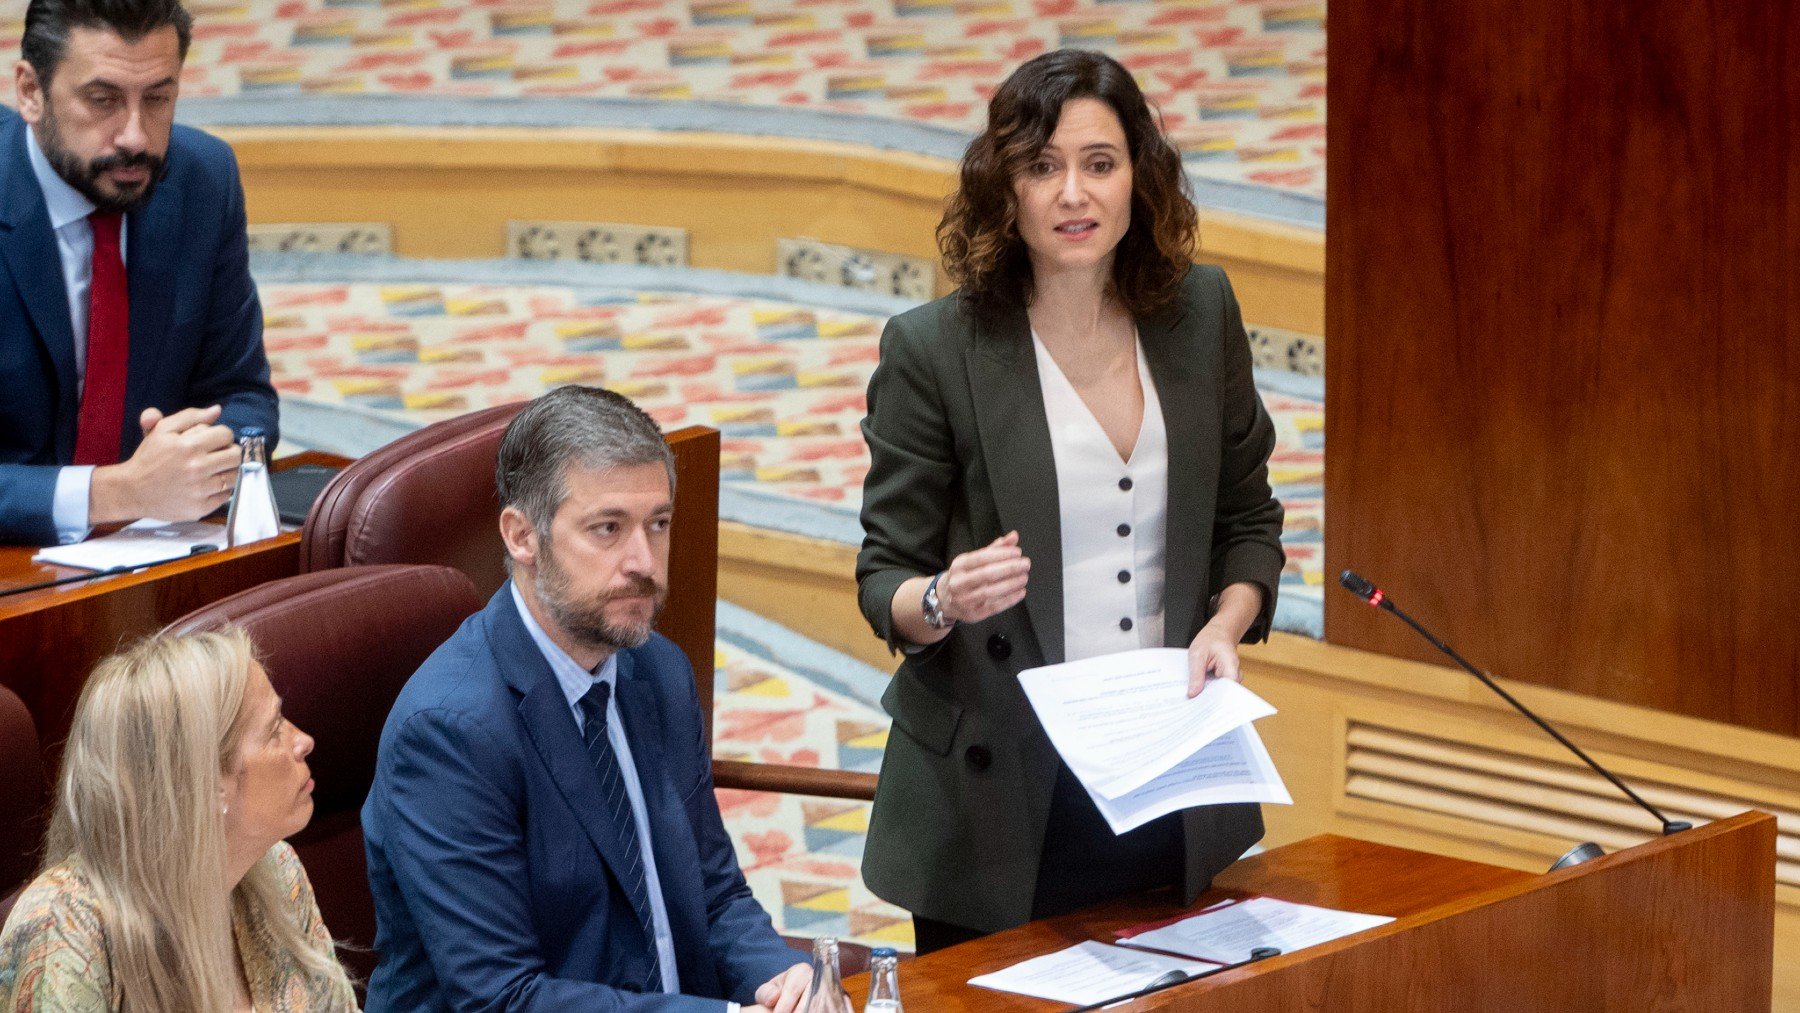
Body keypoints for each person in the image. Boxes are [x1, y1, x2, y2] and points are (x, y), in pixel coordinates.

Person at [855, 49, 1287, 952]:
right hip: (1001, 794)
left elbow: (1248, 518)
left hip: (1165, 773)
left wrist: (1224, 624)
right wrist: (942, 598)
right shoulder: (935, 349)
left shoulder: (1200, 312)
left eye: (1099, 163)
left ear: (1141, 178)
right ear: (1003, 189)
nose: (1073, 194)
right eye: (1041, 167)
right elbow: (884, 576)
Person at [362, 386, 812, 1011]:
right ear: (522, 536)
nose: (643, 561)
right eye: (608, 528)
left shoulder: (657, 671)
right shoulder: (451, 731)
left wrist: (780, 978)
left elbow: (712, 893)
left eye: (658, 523)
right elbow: (503, 998)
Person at [0, 0, 277, 546]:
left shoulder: (203, 177)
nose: (136, 137)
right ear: (31, 92)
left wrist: (199, 456)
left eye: (158, 99)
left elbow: (245, 396)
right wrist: (118, 491)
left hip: (152, 550)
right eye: (102, 100)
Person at [0, 629, 359, 1010]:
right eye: (274, 731)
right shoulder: (62, 929)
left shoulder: (279, 871)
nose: (304, 740)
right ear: (205, 783)